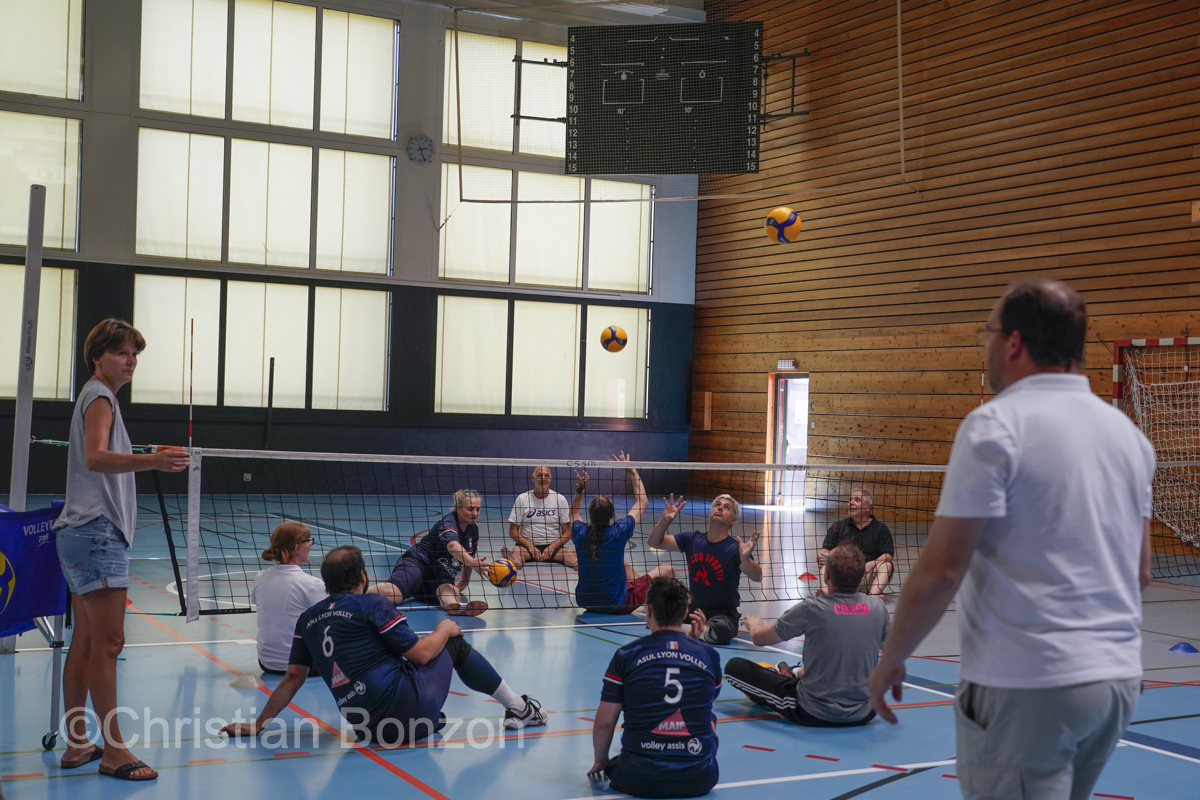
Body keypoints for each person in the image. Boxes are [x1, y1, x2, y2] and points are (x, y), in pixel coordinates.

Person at [867, 279, 1156, 800]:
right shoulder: (1129, 437)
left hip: (1029, 687)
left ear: (1014, 343)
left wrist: (890, 657)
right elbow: (1141, 572)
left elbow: (941, 572)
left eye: (989, 332)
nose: (986, 345)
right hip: (1116, 686)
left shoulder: (995, 427)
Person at [222, 546, 547, 744]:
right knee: (453, 642)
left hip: (367, 729)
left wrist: (257, 725)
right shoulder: (372, 604)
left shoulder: (307, 619)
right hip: (407, 713)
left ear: (326, 583)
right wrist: (446, 628)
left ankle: (429, 718)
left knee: (396, 656)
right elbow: (421, 654)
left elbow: (293, 677)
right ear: (362, 576)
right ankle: (521, 708)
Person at [53, 318, 190, 780]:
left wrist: (147, 448)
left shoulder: (97, 397)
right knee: (109, 644)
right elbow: (95, 457)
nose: (130, 361)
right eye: (121, 353)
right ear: (98, 357)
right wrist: (153, 461)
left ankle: (77, 746)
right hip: (96, 534)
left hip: (79, 533)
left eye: (134, 353)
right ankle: (114, 751)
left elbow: (102, 452)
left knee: (87, 642)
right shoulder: (100, 396)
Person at [725, 542, 888, 726]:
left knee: (734, 667)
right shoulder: (877, 608)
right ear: (862, 576)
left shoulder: (812, 608)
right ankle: (796, 672)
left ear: (826, 576)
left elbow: (759, 638)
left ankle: (789, 676)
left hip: (812, 711)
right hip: (865, 712)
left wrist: (755, 625)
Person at [589, 577, 721, 798]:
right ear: (685, 612)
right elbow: (705, 699)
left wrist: (601, 760)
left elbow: (604, 723)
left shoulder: (626, 656)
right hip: (699, 779)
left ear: (648, 611)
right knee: (708, 714)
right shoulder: (708, 655)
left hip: (636, 779)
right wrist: (693, 646)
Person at [646, 493, 762, 644]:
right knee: (658, 612)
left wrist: (745, 559)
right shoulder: (692, 539)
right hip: (693, 609)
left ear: (733, 520)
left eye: (726, 507)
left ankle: (673, 628)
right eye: (717, 505)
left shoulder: (733, 549)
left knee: (722, 629)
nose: (720, 508)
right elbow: (654, 542)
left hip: (722, 614)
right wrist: (665, 520)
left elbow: (757, 576)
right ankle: (694, 630)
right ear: (710, 513)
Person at [571, 453, 674, 614]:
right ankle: (665, 605)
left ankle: (647, 590)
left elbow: (574, 513)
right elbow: (642, 502)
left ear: (590, 514)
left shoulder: (580, 532)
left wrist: (580, 488)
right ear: (612, 514)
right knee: (668, 570)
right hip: (616, 604)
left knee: (623, 563)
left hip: (585, 600)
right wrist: (631, 471)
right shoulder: (618, 532)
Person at [368, 489, 490, 616]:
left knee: (451, 591)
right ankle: (357, 593)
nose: (475, 513)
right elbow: (453, 546)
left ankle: (456, 608)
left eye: (478, 509)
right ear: (458, 508)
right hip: (419, 562)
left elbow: (470, 556)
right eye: (470, 509)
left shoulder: (473, 530)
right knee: (394, 594)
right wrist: (472, 562)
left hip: (440, 572)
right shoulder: (448, 522)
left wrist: (464, 581)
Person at [252, 521, 326, 674]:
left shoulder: (260, 577)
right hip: (302, 666)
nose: (311, 545)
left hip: (266, 662)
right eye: (308, 541)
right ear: (297, 547)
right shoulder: (311, 584)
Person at [817, 488, 894, 596]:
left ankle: (872, 597)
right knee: (825, 564)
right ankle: (827, 594)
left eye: (857, 500)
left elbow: (888, 555)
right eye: (850, 500)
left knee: (887, 565)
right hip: (842, 577)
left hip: (866, 576)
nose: (851, 503)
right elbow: (826, 548)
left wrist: (872, 564)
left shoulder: (880, 529)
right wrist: (822, 554)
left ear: (868, 507)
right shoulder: (838, 527)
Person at [503, 465, 577, 570]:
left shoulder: (559, 499)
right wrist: (530, 546)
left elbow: (567, 533)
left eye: (547, 476)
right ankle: (515, 562)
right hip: (527, 547)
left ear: (550, 478)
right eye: (539, 476)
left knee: (569, 552)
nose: (543, 479)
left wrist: (552, 547)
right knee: (517, 551)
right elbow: (513, 531)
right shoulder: (523, 499)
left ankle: (577, 563)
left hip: (553, 547)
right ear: (533, 478)